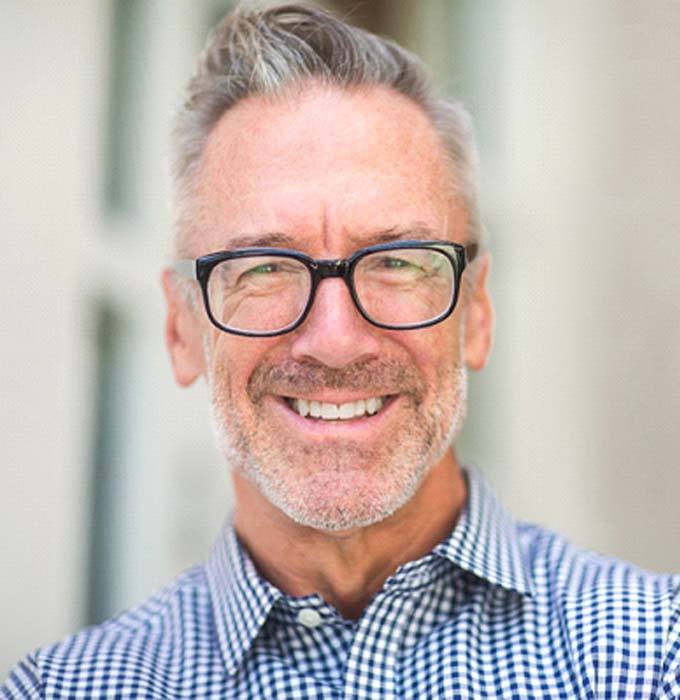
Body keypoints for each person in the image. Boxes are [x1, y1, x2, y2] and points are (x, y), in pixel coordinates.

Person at [3, 3, 679, 698]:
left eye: (396, 262)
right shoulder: (62, 690)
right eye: (264, 267)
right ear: (182, 329)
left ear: (476, 312)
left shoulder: (657, 656)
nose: (334, 341)